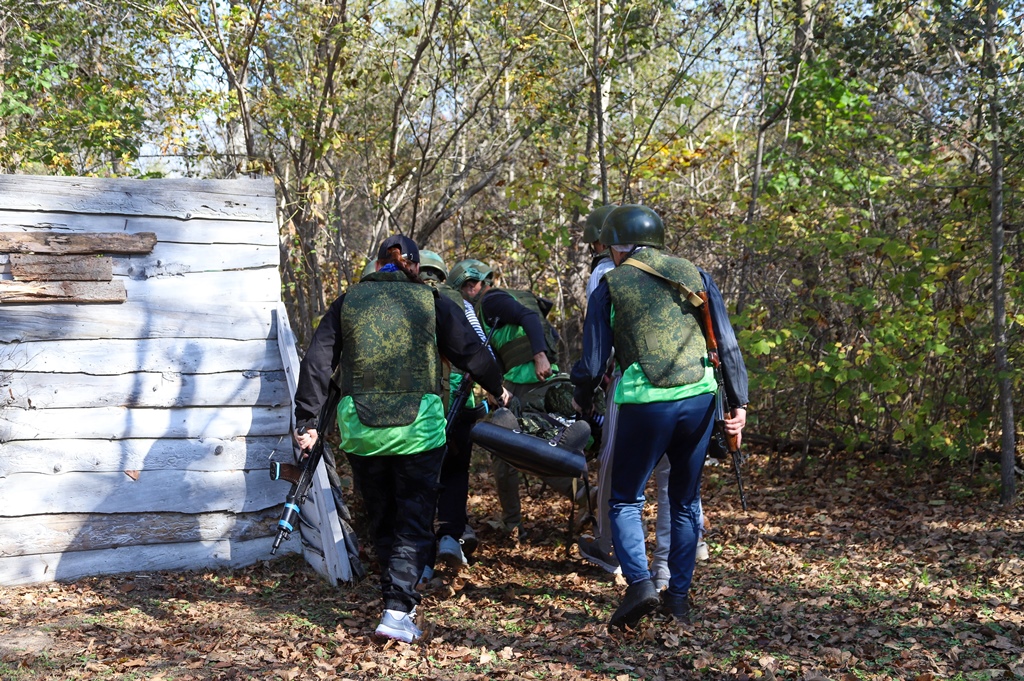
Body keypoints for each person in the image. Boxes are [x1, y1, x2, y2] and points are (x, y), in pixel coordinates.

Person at [292, 235, 511, 643]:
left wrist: (307, 420)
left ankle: (395, 600)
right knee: (413, 519)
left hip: (362, 431)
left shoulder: (348, 301)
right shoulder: (431, 300)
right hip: (418, 431)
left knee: (383, 516)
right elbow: (470, 351)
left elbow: (318, 361)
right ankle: (396, 610)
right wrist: (498, 388)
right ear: (414, 266)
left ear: (378, 266)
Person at [570, 205, 747, 630]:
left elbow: (593, 363)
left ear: (616, 247)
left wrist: (582, 398)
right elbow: (726, 342)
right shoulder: (695, 274)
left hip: (644, 402)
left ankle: (640, 585)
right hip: (700, 399)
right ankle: (678, 600)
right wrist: (739, 403)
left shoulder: (610, 285)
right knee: (684, 501)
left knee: (626, 499)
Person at [448, 258, 578, 538]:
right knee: (533, 448)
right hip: (532, 379)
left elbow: (529, 318)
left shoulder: (491, 300)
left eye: (462, 290)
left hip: (525, 380)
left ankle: (514, 522)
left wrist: (539, 356)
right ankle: (581, 495)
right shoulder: (500, 300)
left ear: (471, 285)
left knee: (510, 451)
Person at [418, 250, 487, 569]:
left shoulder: (406, 299)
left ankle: (417, 542)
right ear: (443, 275)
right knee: (456, 470)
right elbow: (480, 348)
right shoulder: (460, 303)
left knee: (418, 471)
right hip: (460, 399)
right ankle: (450, 534)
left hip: (419, 402)